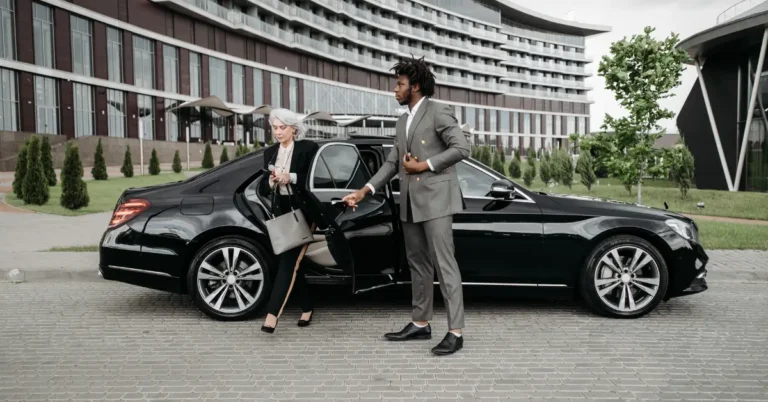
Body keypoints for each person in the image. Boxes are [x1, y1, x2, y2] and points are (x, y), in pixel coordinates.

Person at [342, 56, 470, 355]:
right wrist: (363, 191)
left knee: (444, 265)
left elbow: (462, 148)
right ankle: (421, 323)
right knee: (418, 265)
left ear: (414, 86)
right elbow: (391, 163)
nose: (394, 90)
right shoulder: (402, 120)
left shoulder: (439, 111)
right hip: (410, 203)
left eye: (399, 84)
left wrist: (424, 165)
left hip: (437, 201)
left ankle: (456, 331)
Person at [260, 108, 320, 333]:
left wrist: (291, 177)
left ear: (293, 129)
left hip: (304, 211)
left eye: (282, 127)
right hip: (281, 211)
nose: (277, 132)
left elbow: (315, 179)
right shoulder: (270, 153)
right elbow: (263, 187)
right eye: (274, 128)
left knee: (288, 262)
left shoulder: (308, 149)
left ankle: (271, 316)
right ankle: (307, 307)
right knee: (295, 263)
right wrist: (272, 181)